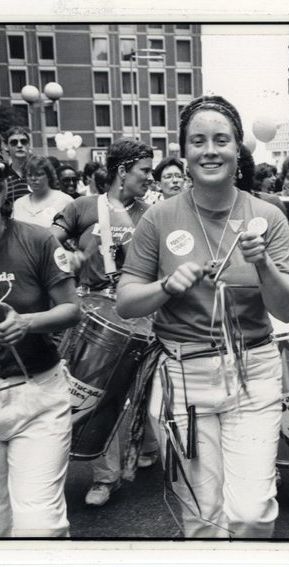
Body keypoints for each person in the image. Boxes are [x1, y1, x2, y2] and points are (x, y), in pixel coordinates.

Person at [116, 95, 289, 538]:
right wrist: (164, 286)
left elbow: (287, 307)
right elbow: (125, 300)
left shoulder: (267, 216)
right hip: (181, 376)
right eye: (198, 141)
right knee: (202, 517)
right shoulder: (159, 218)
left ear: (239, 148)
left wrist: (263, 265)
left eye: (221, 139)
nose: (209, 150)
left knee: (252, 513)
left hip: (252, 373)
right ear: (185, 152)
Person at [52, 138, 157, 506]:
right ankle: (85, 470)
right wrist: (69, 257)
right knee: (84, 393)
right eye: (144, 170)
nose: (150, 176)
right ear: (122, 170)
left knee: (119, 395)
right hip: (89, 312)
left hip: (135, 315)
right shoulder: (82, 207)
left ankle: (109, 474)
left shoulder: (150, 214)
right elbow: (48, 244)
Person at [0, 174, 80, 537]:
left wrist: (27, 322)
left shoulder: (38, 239)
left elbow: (71, 310)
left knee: (38, 527)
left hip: (38, 398)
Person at [12, 156, 73, 228]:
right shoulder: (19, 204)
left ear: (49, 176)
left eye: (38, 174)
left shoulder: (65, 201)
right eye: (29, 175)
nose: (33, 178)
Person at [2, 126, 32, 206]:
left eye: (23, 141)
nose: (19, 145)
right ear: (6, 147)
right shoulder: (3, 177)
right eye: (14, 142)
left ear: (29, 145)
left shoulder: (40, 173)